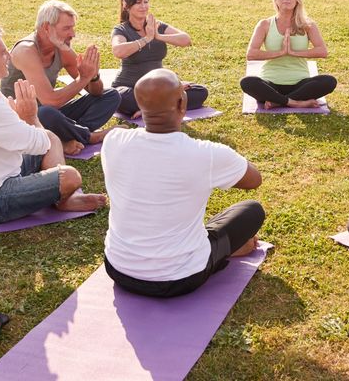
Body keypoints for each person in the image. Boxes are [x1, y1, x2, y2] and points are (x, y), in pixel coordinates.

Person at [101, 68, 265, 298]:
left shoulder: (114, 141)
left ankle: (213, 245)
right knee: (251, 210)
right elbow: (254, 179)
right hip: (180, 278)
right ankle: (226, 249)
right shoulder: (205, 153)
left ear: (138, 105)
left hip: (118, 269)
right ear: (182, 104)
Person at [0, 26, 106, 226]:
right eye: (2, 52)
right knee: (70, 177)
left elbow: (31, 138)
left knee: (51, 136)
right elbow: (39, 143)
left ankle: (62, 199)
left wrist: (23, 119)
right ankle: (62, 198)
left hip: (5, 169)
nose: (8, 55)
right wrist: (31, 116)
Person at [0, 0, 121, 155]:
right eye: (67, 28)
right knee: (46, 112)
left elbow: (96, 92)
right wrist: (84, 78)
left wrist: (93, 76)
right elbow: (51, 100)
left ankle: (70, 135)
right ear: (46, 28)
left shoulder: (61, 48)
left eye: (72, 27)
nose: (73, 34)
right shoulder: (26, 50)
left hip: (51, 114)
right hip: (22, 119)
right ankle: (89, 136)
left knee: (111, 96)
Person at [111, 0, 208, 118]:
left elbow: (186, 40)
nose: (143, 6)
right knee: (119, 97)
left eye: (146, 2)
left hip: (158, 88)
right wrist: (146, 39)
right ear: (127, 6)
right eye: (138, 3)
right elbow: (118, 51)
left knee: (200, 92)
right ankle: (164, 106)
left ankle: (149, 109)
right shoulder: (121, 29)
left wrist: (158, 36)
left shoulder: (157, 26)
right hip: (130, 87)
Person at [240, 0, 337, 109]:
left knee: (329, 81)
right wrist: (280, 53)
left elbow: (322, 51)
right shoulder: (265, 24)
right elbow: (251, 54)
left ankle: (278, 101)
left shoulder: (308, 25)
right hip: (270, 83)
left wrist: (293, 52)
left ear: (297, 0)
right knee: (247, 82)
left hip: (300, 83)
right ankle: (294, 102)